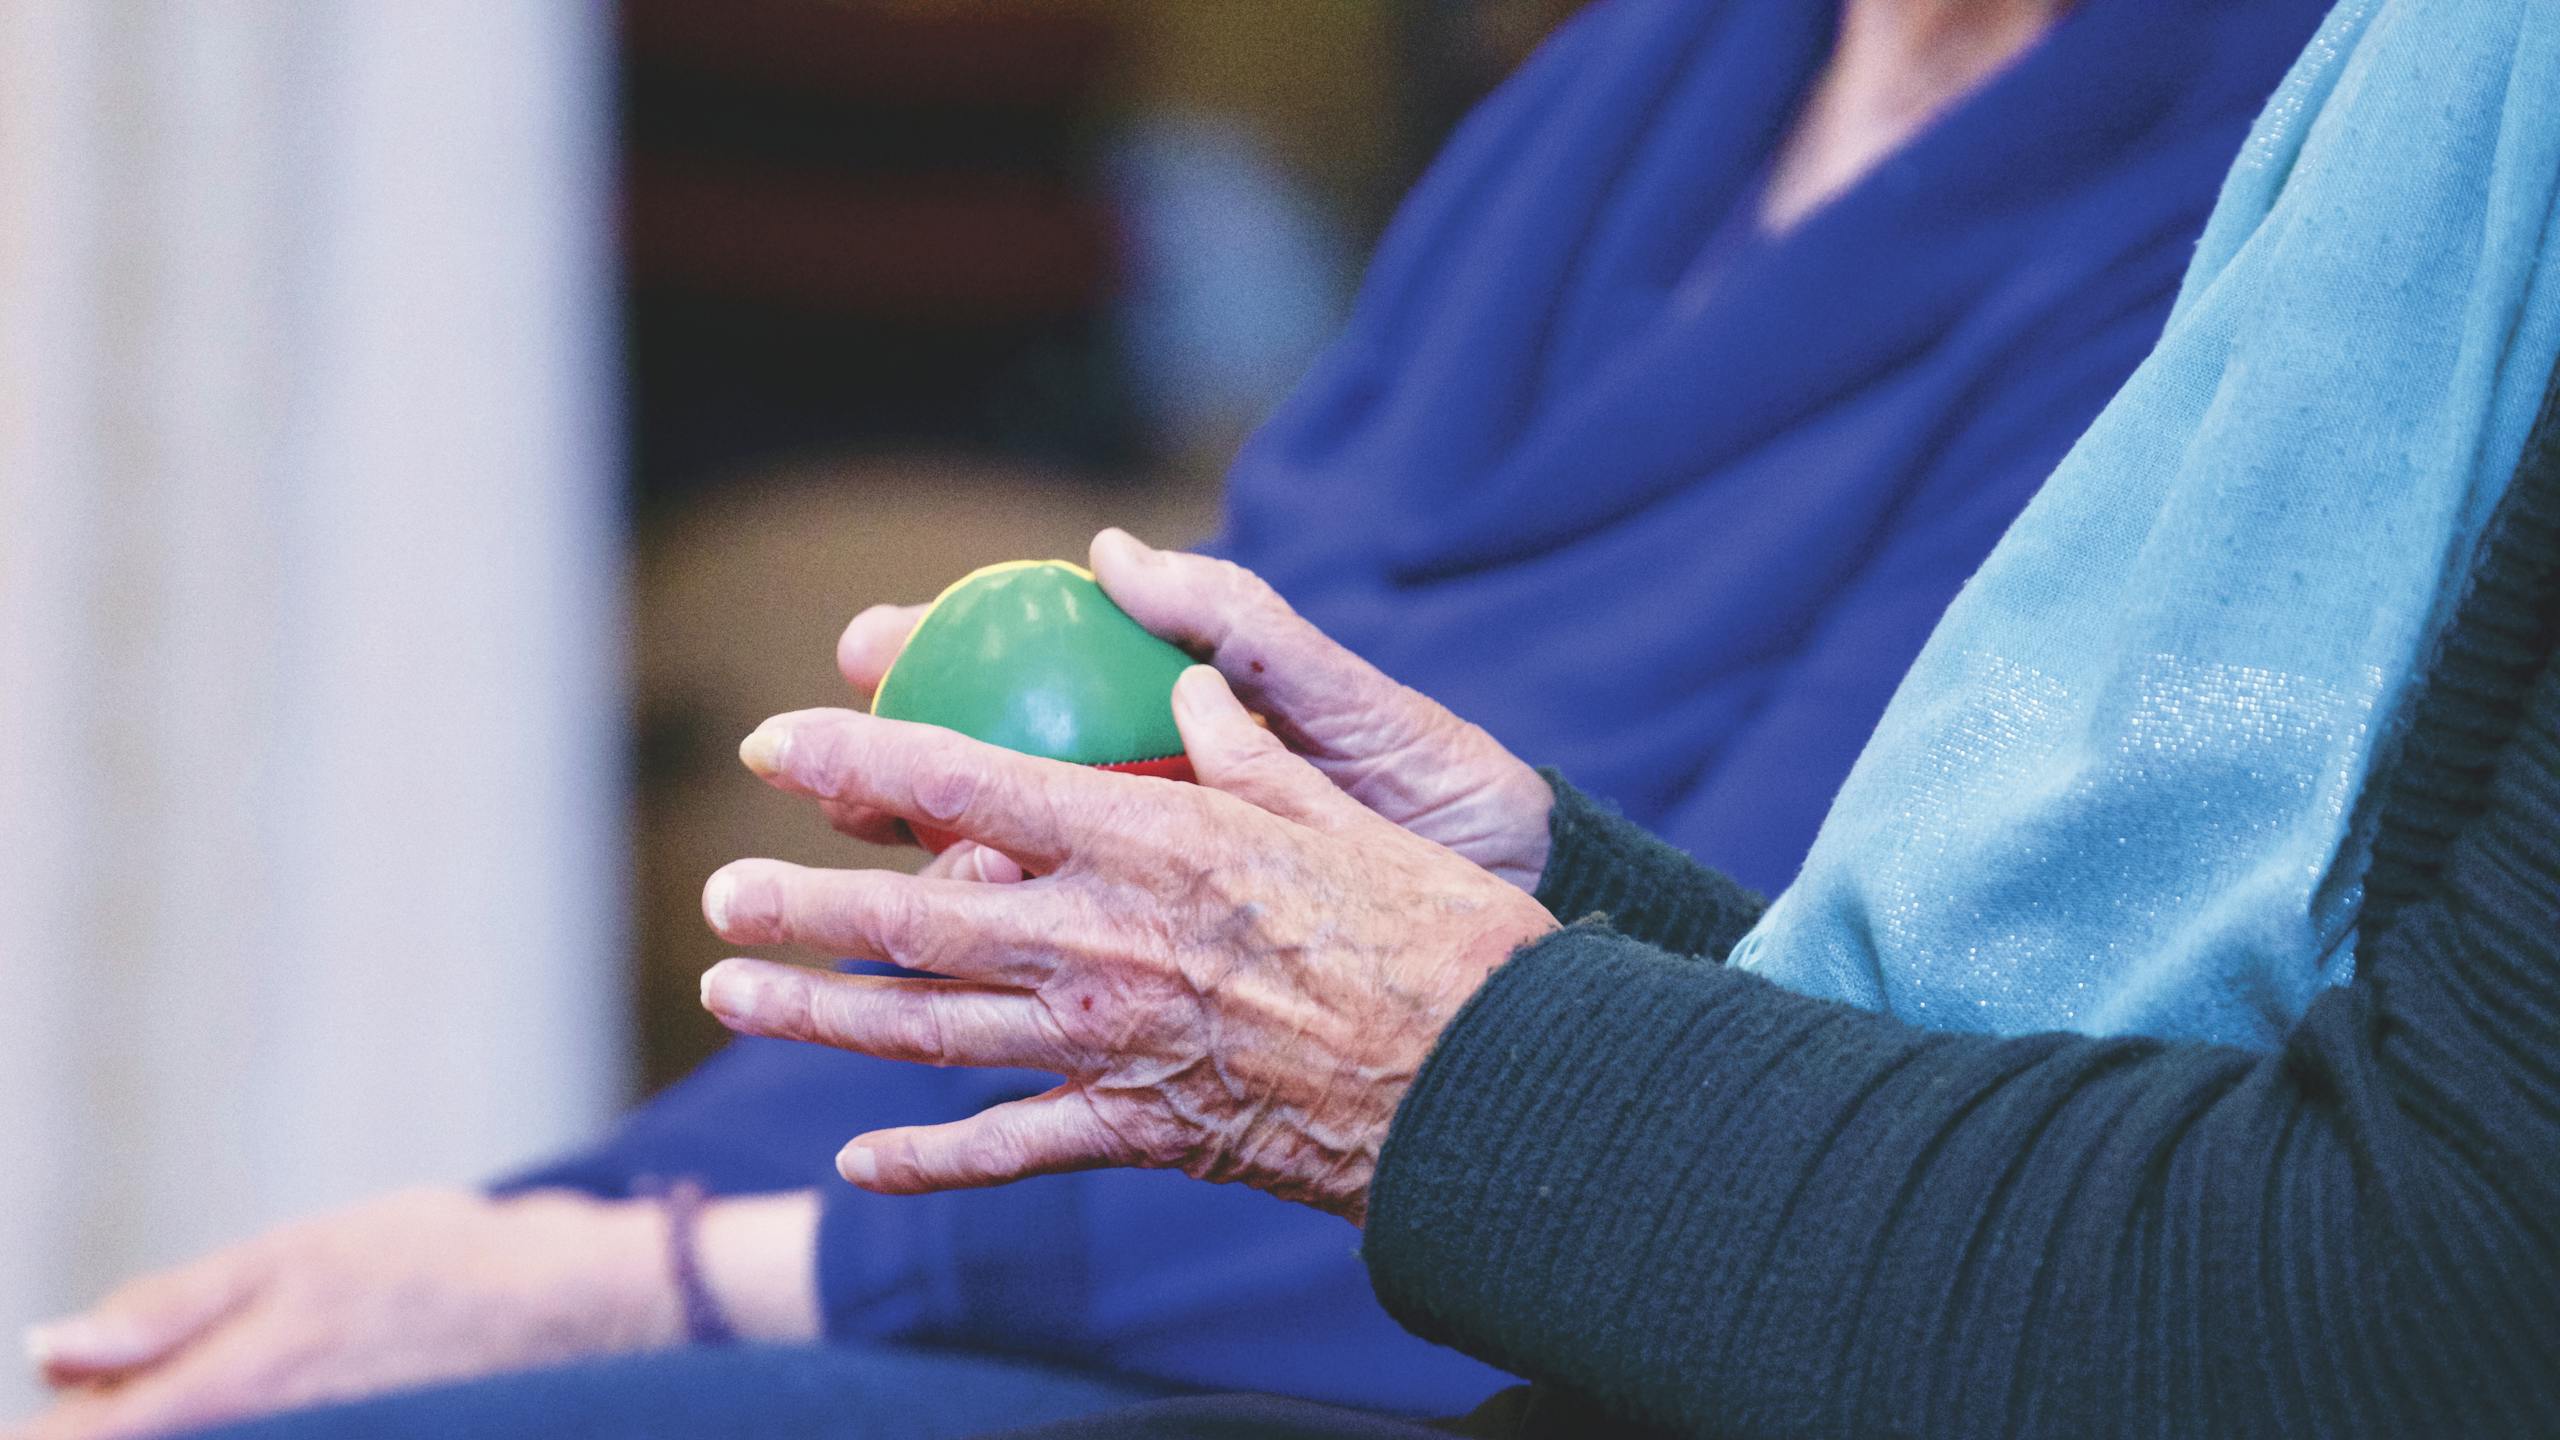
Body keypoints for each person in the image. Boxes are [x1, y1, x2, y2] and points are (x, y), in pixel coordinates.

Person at [15, 1, 2334, 1436]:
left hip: (1449, 1311)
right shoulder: (1658, 69)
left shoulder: (2279, 171)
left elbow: (1760, 1075)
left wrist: (643, 1276)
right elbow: (1147, 860)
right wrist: (528, 1227)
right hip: (1102, 1204)